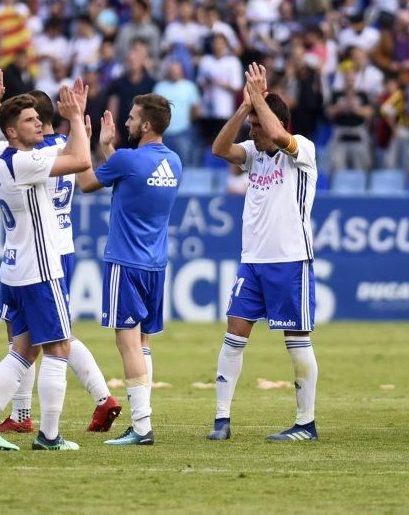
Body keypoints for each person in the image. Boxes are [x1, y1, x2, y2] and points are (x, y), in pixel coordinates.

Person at [0, 69, 122, 434]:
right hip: (49, 250)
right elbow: (85, 172)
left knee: (39, 340)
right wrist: (78, 124)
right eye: (29, 120)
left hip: (32, 253)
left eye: (36, 118)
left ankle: (14, 416)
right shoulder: (53, 150)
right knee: (53, 338)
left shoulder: (23, 154)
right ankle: (42, 420)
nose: (35, 124)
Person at [208, 63, 319, 442]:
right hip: (252, 261)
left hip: (290, 259)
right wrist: (243, 109)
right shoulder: (255, 154)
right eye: (251, 128)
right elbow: (219, 148)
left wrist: (258, 97)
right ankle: (221, 420)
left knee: (297, 341)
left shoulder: (301, 149)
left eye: (255, 127)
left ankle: (306, 423)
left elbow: (274, 131)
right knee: (234, 334)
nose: (253, 134)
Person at [76, 94, 182, 446]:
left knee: (127, 343)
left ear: (147, 125)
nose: (126, 123)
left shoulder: (127, 159)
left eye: (133, 118)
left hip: (126, 261)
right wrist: (111, 150)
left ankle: (141, 427)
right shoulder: (175, 163)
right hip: (155, 264)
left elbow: (87, 183)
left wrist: (89, 141)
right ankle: (143, 420)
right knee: (143, 342)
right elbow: (130, 180)